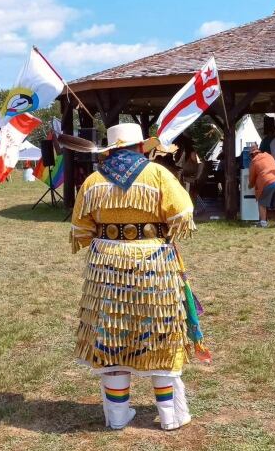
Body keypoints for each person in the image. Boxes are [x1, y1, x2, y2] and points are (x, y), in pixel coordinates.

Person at [67, 123, 209, 431]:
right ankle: (171, 415)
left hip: (106, 266)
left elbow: (81, 228)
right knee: (160, 333)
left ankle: (117, 416)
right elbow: (182, 213)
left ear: (111, 149)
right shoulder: (158, 175)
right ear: (141, 147)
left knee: (112, 337)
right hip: (153, 262)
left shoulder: (93, 181)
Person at [248, 145, 275, 227]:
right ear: (259, 151)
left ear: (251, 155)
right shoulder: (269, 156)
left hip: (267, 182)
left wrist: (250, 185)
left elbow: (251, 177)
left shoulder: (254, 161)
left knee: (262, 203)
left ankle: (263, 223)